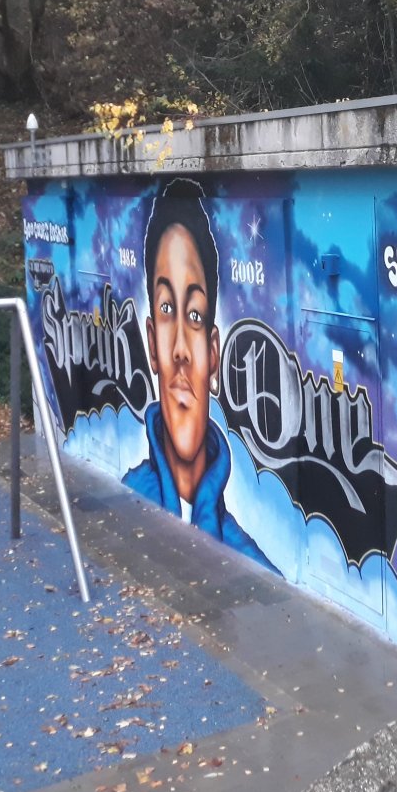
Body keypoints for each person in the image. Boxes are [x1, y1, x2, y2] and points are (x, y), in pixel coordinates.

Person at [122, 179, 275, 570]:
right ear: (152, 342)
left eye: (193, 316)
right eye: (167, 309)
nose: (179, 352)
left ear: (213, 352)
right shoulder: (128, 497)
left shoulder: (253, 564)